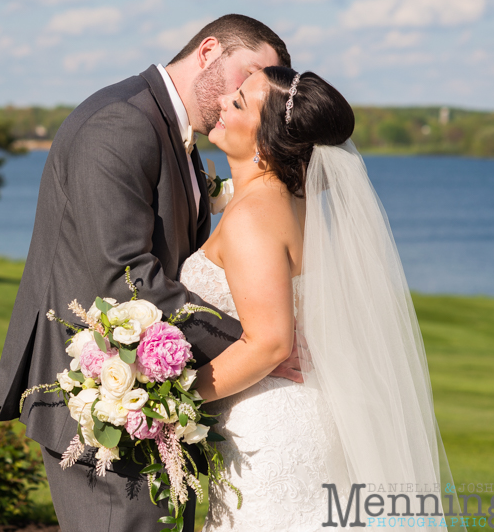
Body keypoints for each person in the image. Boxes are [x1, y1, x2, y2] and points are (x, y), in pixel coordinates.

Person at [0, 14, 301, 532]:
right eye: (246, 78)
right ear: (208, 52)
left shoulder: (169, 128)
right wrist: (258, 345)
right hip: (104, 403)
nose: (243, 97)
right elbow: (125, 277)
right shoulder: (121, 125)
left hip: (153, 392)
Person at [186, 67, 461, 530]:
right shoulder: (297, 204)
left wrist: (177, 397)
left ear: (267, 139)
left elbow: (270, 342)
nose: (221, 104)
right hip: (306, 412)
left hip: (266, 432)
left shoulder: (254, 214)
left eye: (238, 104)